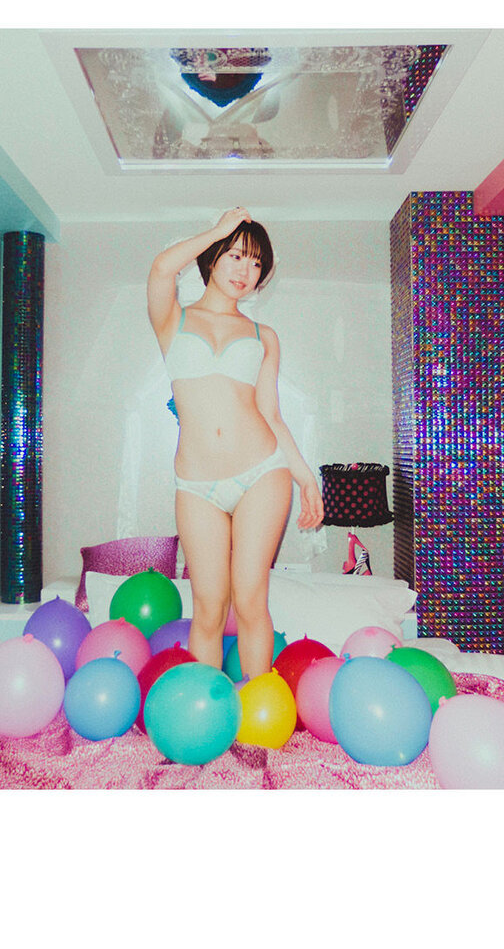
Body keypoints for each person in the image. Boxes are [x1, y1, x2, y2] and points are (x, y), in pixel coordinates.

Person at [147, 206, 324, 679]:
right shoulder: (173, 321)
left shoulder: (264, 336)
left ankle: (257, 711)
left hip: (261, 473)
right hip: (196, 486)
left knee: (249, 599)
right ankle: (208, 710)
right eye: (236, 256)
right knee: (207, 607)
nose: (246, 271)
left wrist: (306, 478)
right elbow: (162, 269)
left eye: (257, 263)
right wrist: (219, 230)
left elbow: (271, 415)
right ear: (212, 256)